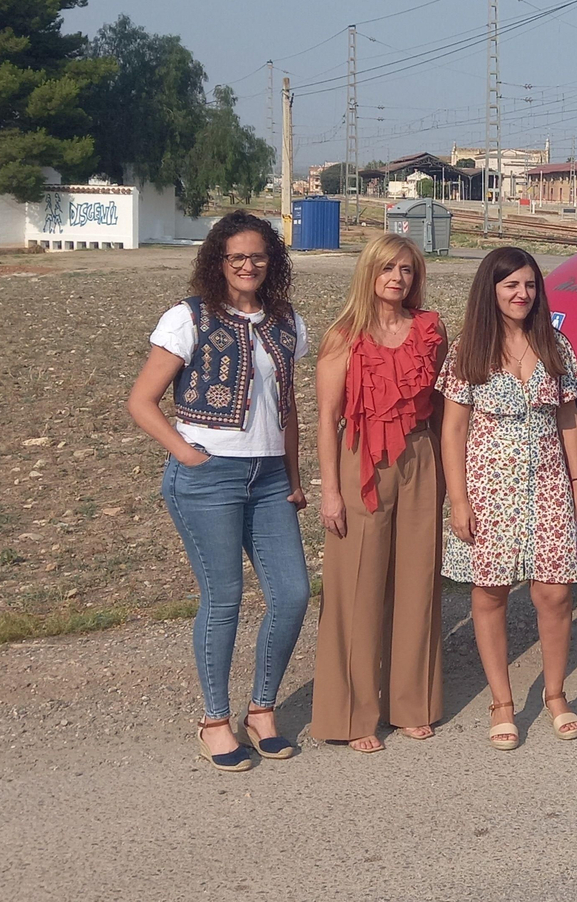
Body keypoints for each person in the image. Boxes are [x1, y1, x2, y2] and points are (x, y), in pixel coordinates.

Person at [126, 211, 310, 772]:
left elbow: (289, 407)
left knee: (293, 593)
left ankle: (261, 709)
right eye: (237, 257)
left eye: (258, 256)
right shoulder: (189, 318)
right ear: (218, 261)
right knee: (224, 597)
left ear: (271, 260)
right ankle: (213, 720)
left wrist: (295, 476)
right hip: (210, 476)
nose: (248, 265)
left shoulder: (285, 321)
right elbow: (142, 401)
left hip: (270, 476)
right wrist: (186, 453)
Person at [438, 247, 577, 749]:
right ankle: (502, 702)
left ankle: (554, 694)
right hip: (490, 488)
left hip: (547, 483)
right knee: (491, 592)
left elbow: (568, 418)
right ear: (492, 290)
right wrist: (458, 500)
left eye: (528, 285)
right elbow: (453, 430)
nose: (521, 294)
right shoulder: (468, 350)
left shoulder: (555, 345)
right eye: (510, 286)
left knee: (555, 592)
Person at [310, 234, 447, 752]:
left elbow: (442, 406)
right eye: (388, 268)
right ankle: (351, 714)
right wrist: (329, 491)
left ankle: (412, 703)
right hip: (359, 459)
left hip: (420, 456)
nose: (397, 278)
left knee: (418, 583)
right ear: (369, 272)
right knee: (357, 587)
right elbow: (325, 419)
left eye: (407, 270)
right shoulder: (343, 337)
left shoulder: (431, 330)